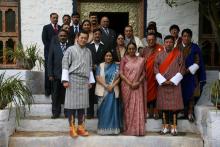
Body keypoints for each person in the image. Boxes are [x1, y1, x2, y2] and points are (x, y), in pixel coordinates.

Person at [61, 30, 93, 137]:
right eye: (82, 37)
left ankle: (80, 127)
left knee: (82, 106)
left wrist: (90, 80)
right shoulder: (70, 49)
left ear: (88, 39)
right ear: (77, 37)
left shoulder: (88, 51)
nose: (83, 40)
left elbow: (90, 66)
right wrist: (65, 80)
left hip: (84, 80)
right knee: (71, 105)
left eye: (85, 38)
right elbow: (65, 64)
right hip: (72, 79)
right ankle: (72, 128)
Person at [154, 35, 184, 136]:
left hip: (175, 84)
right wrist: (162, 81)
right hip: (162, 84)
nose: (168, 44)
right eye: (166, 42)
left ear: (173, 43)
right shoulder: (159, 55)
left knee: (174, 107)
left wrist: (173, 80)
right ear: (164, 43)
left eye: (170, 42)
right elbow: (155, 68)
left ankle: (174, 127)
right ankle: (165, 126)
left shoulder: (179, 54)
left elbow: (182, 68)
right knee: (163, 106)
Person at [179, 28, 206, 122]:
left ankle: (190, 112)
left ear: (191, 37)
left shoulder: (195, 47)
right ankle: (182, 111)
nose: (186, 38)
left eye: (188, 36)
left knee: (191, 93)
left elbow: (198, 61)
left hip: (191, 75)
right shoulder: (178, 48)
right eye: (184, 36)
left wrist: (188, 70)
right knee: (181, 93)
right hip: (180, 76)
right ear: (181, 37)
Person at [120, 42, 145, 136]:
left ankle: (137, 129)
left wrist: (138, 82)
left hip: (137, 86)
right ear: (127, 49)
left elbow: (143, 73)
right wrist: (130, 83)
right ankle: (128, 128)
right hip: (127, 86)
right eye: (129, 49)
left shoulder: (141, 60)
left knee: (137, 106)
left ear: (136, 49)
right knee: (127, 108)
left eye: (133, 49)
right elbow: (121, 73)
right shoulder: (124, 59)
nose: (131, 50)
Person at [96, 50, 122, 135]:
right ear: (104, 56)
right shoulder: (100, 65)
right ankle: (103, 129)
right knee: (104, 111)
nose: (108, 57)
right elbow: (98, 77)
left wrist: (112, 85)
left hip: (113, 91)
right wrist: (106, 86)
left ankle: (113, 129)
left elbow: (119, 78)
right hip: (103, 91)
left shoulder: (116, 66)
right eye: (107, 56)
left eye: (110, 56)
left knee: (112, 111)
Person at [48, 29, 71, 119]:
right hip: (56, 75)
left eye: (64, 36)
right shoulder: (54, 46)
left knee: (67, 95)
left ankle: (67, 112)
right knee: (55, 95)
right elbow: (50, 61)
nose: (62, 37)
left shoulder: (71, 47)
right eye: (61, 36)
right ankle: (55, 113)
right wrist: (50, 74)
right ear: (58, 37)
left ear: (67, 37)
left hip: (68, 75)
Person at [86, 28, 107, 118]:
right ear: (93, 35)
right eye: (95, 34)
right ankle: (90, 113)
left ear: (101, 35)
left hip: (101, 73)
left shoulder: (105, 46)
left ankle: (100, 113)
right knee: (90, 93)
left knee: (100, 93)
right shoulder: (88, 46)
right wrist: (92, 65)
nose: (97, 35)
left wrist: (98, 66)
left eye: (99, 34)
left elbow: (107, 59)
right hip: (90, 73)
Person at [143, 33, 163, 119]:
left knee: (157, 93)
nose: (150, 41)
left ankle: (156, 111)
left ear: (155, 40)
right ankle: (147, 111)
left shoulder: (160, 48)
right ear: (147, 41)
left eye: (152, 40)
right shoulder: (144, 50)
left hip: (157, 75)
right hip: (147, 75)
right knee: (147, 92)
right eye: (149, 40)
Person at [42, 12, 61, 96]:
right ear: (50, 18)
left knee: (57, 70)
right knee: (48, 71)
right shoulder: (46, 27)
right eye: (54, 18)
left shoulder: (60, 28)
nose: (55, 19)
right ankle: (47, 89)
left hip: (58, 54)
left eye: (56, 18)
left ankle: (56, 89)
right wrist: (52, 49)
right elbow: (45, 40)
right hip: (49, 53)